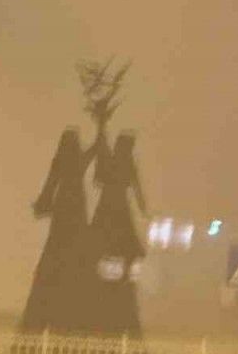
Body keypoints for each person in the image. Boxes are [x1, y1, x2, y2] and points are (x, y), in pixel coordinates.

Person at [21, 128, 95, 334]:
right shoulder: (76, 164)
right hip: (72, 219)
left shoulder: (64, 164)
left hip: (65, 219)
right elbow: (93, 150)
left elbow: (48, 190)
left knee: (57, 261)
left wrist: (44, 205)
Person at [88, 131, 147, 337]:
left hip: (111, 209)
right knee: (123, 247)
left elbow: (99, 180)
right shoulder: (124, 164)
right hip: (115, 210)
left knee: (116, 248)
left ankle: (113, 279)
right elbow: (137, 190)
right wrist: (143, 208)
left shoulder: (116, 162)